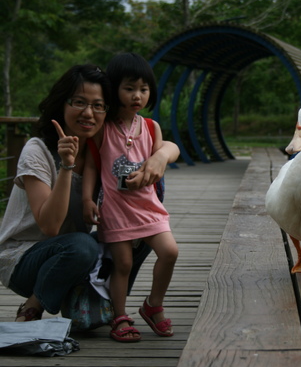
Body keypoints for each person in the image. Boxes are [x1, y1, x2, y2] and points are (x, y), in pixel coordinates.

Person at [0, 64, 180, 324]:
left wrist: (161, 156)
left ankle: (94, 300)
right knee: (82, 246)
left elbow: (164, 142)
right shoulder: (37, 150)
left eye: (98, 106)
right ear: (62, 104)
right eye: (79, 102)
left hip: (73, 257)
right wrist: (66, 165)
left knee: (139, 234)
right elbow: (50, 226)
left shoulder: (104, 150)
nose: (88, 113)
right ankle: (33, 305)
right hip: (25, 258)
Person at [83, 53, 179, 343]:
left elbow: (161, 158)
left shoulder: (151, 127)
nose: (137, 95)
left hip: (148, 206)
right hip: (116, 209)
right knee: (122, 263)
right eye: (129, 88)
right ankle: (120, 316)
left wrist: (156, 164)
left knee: (170, 252)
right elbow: (91, 165)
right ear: (114, 89)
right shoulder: (104, 127)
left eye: (144, 89)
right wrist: (87, 198)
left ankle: (153, 305)